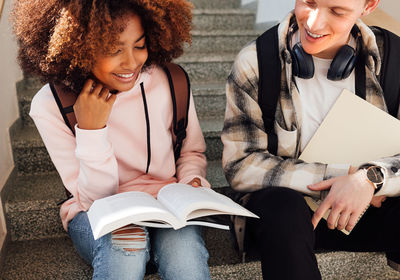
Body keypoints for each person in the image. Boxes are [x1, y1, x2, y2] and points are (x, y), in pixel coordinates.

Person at [11, 0, 211, 279]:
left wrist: (192, 183)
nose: (131, 63)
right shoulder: (51, 104)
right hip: (94, 210)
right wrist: (92, 130)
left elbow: (191, 154)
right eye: (113, 49)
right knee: (127, 240)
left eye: (139, 46)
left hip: (166, 205)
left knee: (184, 252)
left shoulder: (172, 81)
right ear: (78, 45)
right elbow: (95, 199)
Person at [222, 0, 400, 279]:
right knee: (283, 208)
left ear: (369, 6)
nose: (313, 23)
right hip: (290, 221)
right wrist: (341, 176)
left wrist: (370, 179)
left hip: (369, 209)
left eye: (337, 12)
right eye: (309, 2)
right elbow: (240, 164)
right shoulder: (256, 62)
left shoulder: (394, 59)